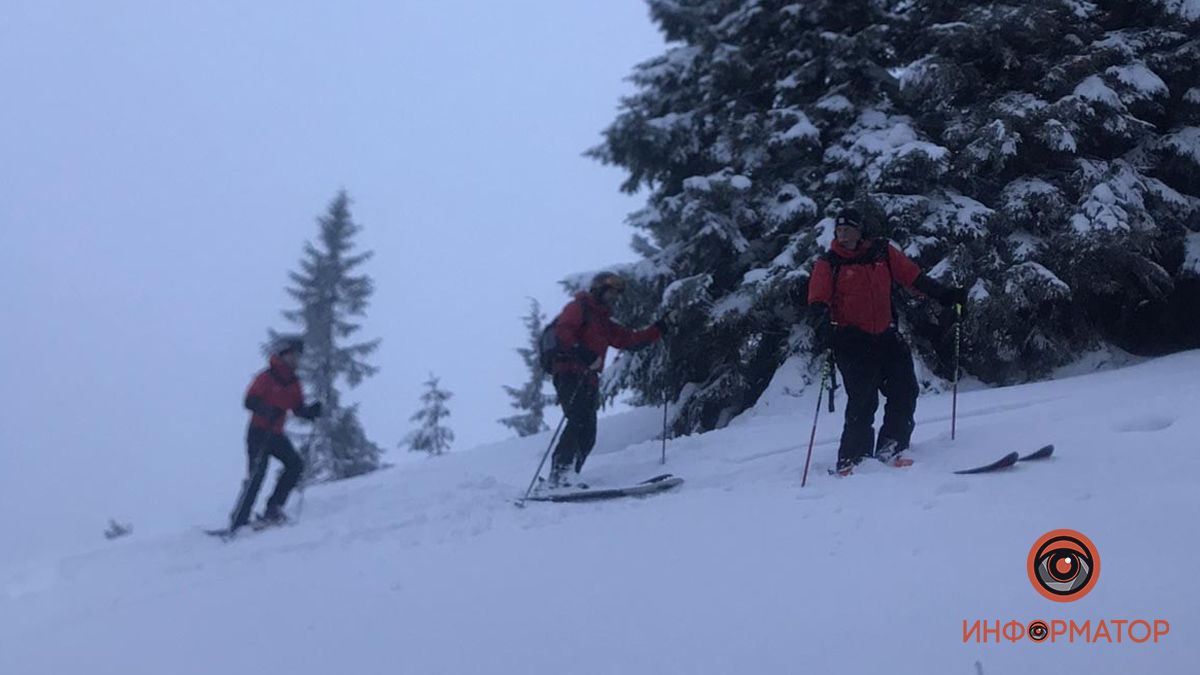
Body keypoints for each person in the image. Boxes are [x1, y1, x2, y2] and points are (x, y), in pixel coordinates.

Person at [806, 208, 967, 476]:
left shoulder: (881, 254)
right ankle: (852, 458)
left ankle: (892, 446)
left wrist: (946, 295)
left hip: (885, 335)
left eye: (848, 229)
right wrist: (824, 326)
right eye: (839, 230)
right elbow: (817, 300)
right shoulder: (829, 263)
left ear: (860, 231)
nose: (843, 235)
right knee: (863, 400)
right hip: (851, 340)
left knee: (904, 390)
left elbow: (912, 277)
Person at [548, 272, 668, 487]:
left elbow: (629, 340)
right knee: (578, 421)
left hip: (588, 379)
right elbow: (563, 332)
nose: (614, 297)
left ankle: (569, 477)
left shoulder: (603, 322)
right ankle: (559, 477)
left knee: (588, 432)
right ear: (599, 290)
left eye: (616, 294)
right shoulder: (578, 308)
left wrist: (657, 330)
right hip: (569, 372)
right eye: (611, 292)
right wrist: (582, 352)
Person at [229, 336, 322, 532]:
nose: (298, 360)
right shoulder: (266, 377)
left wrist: (310, 412)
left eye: (299, 356)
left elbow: (297, 408)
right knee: (257, 474)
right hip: (259, 433)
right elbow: (249, 401)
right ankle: (239, 519)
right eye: (295, 355)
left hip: (276, 434)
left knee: (295, 465)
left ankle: (274, 508)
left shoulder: (294, 382)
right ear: (285, 354)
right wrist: (267, 410)